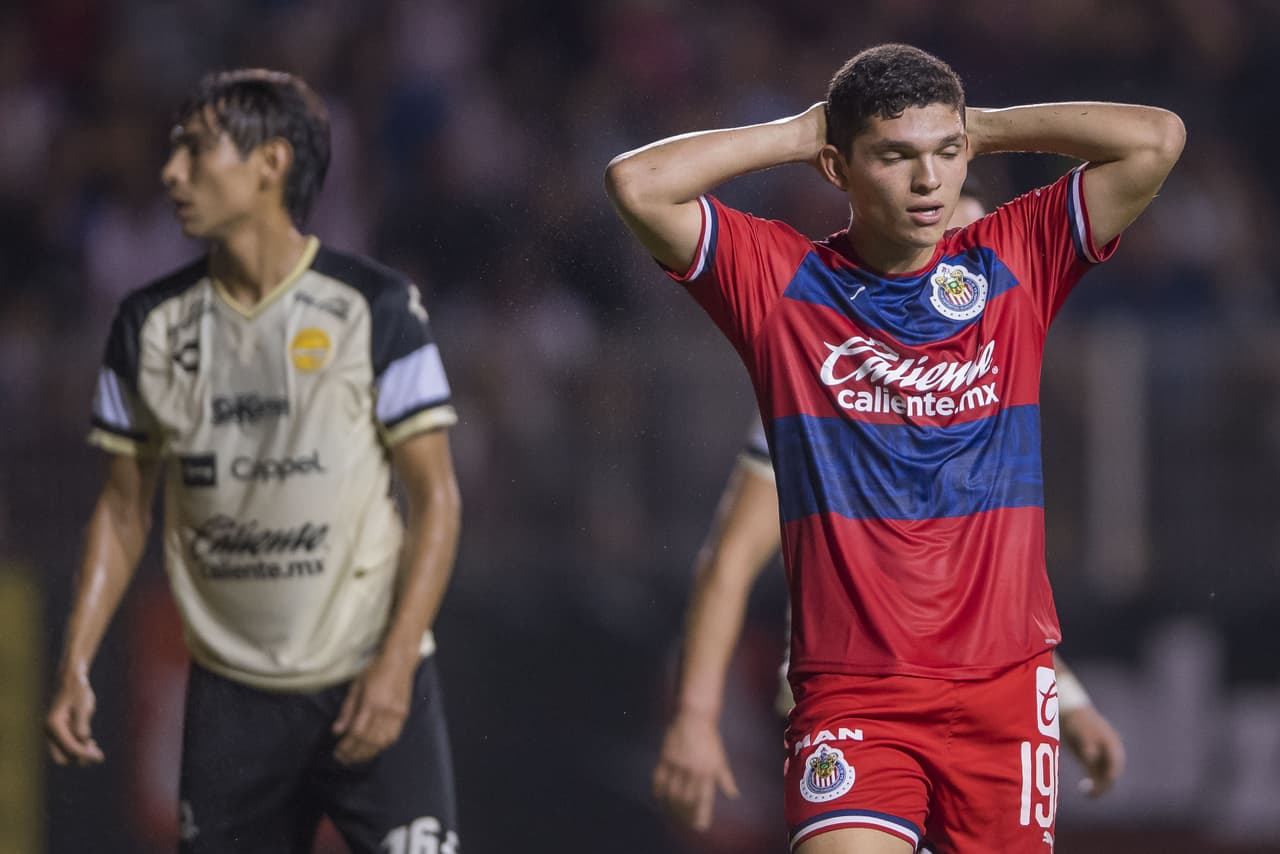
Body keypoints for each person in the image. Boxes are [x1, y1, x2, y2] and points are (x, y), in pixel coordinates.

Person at [607, 43, 1182, 852]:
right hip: (855, 697)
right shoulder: (783, 283)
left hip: (1008, 693)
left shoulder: (1012, 260)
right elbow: (637, 183)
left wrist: (980, 126)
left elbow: (1156, 137)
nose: (930, 183)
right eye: (896, 156)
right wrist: (801, 132)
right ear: (838, 169)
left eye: (946, 156)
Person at [45, 69, 463, 854]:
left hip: (371, 676)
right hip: (230, 705)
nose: (171, 172)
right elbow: (124, 507)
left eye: (196, 152)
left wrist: (398, 663)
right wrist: (75, 662)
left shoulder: (375, 307)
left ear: (271, 162)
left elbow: (435, 498)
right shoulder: (148, 325)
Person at [651, 187, 1126, 835]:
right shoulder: (825, 383)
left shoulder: (985, 396)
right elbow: (730, 560)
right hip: (858, 693)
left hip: (985, 706)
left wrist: (1069, 703)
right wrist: (697, 715)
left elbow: (979, 595)